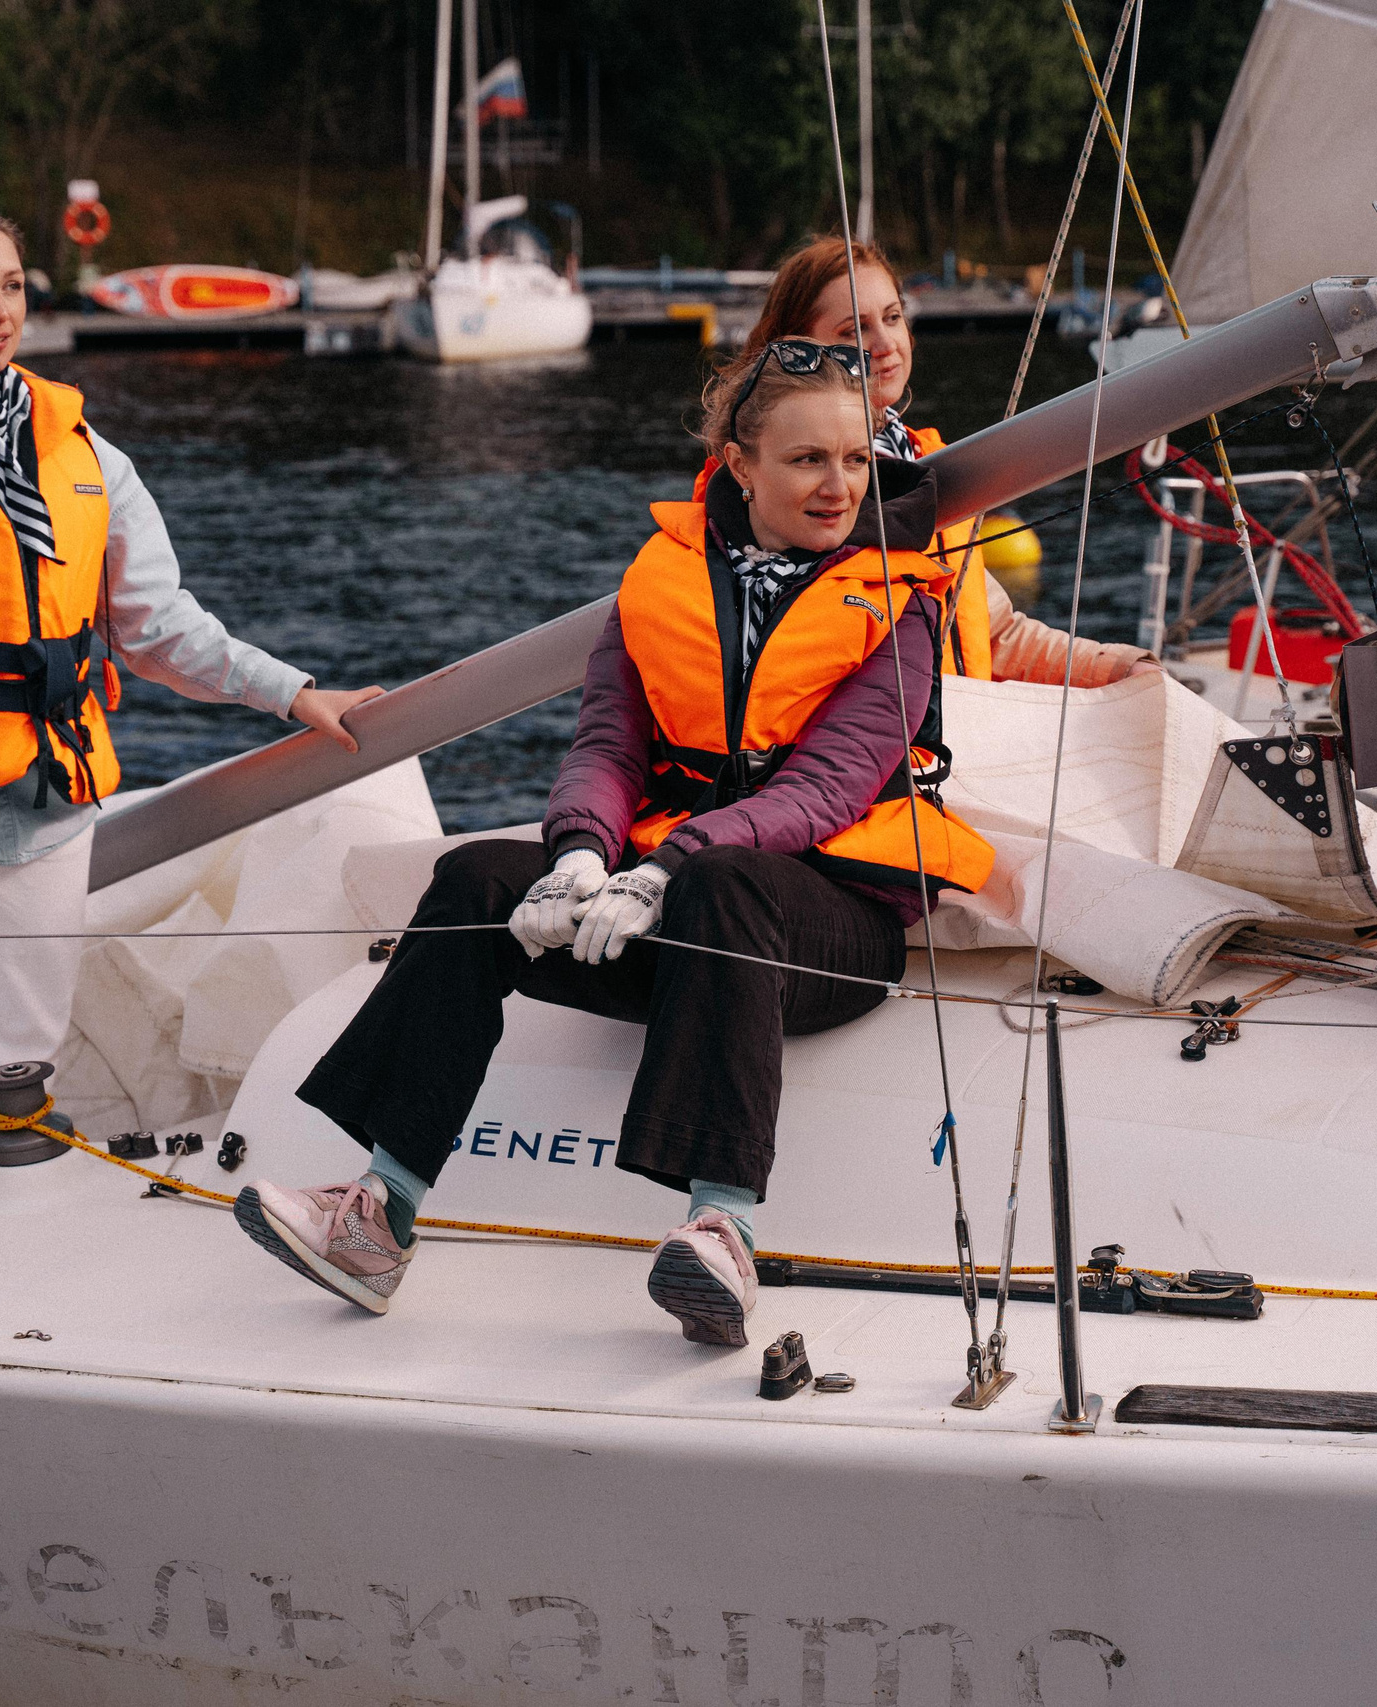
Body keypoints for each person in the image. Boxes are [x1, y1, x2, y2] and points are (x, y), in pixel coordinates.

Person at [233, 339, 993, 1345]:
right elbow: (605, 746)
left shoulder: (896, 609)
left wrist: (663, 870)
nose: (836, 485)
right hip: (666, 895)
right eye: (808, 460)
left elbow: (824, 791)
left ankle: (721, 1228)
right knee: (472, 879)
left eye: (854, 462)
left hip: (828, 926)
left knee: (725, 881)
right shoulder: (658, 584)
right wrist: (578, 856)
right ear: (741, 465)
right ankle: (379, 1214)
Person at [0, 199, 380, 1275]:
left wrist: (293, 693)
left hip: (44, 759)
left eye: (10, 285)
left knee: (25, 995)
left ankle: (13, 1133)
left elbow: (158, 626)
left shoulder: (82, 445)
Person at [704, 235, 1151, 688]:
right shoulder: (780, 500)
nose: (884, 343)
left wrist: (1120, 667)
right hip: (877, 750)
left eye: (893, 317)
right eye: (852, 331)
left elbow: (994, 634)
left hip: (953, 741)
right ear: (795, 353)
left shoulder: (924, 465)